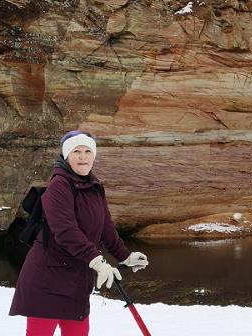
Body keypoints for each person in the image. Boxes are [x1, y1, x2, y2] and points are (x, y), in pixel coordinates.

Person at [9, 130, 149, 336]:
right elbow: (66, 232)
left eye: (87, 151)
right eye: (76, 151)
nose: (82, 156)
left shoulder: (95, 187)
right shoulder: (58, 186)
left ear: (94, 155)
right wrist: (98, 262)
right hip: (47, 278)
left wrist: (125, 256)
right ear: (67, 156)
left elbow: (106, 229)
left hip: (76, 279)